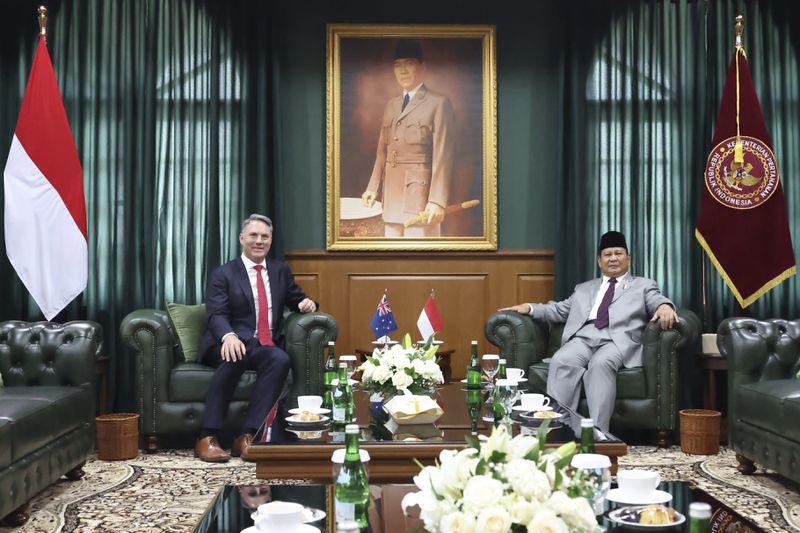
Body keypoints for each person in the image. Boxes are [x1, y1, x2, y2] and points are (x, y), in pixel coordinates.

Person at [500, 231, 678, 432]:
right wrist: (530, 308)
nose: (613, 258)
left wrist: (664, 306)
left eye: (618, 253)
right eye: (607, 254)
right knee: (561, 360)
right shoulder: (584, 288)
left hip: (616, 340)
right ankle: (562, 425)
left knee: (600, 365)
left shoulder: (643, 285)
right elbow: (559, 310)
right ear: (599, 261)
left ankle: (597, 433)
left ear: (628, 258)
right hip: (583, 338)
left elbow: (655, 298)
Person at [194, 214, 317, 462]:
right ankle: (207, 437)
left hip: (263, 346)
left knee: (280, 359)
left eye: (265, 236)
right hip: (227, 343)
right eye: (253, 235)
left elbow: (296, 297)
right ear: (242, 239)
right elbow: (216, 313)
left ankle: (248, 435)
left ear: (270, 241)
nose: (259, 241)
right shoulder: (224, 274)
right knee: (234, 357)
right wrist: (228, 336)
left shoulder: (279, 271)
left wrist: (307, 303)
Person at [361, 39, 455, 237]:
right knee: (392, 262)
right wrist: (372, 187)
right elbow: (382, 151)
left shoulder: (439, 104)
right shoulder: (391, 105)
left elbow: (443, 156)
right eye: (397, 65)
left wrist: (437, 200)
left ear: (423, 67)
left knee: (421, 263)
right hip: (391, 198)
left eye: (409, 63)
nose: (402, 71)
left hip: (421, 201)